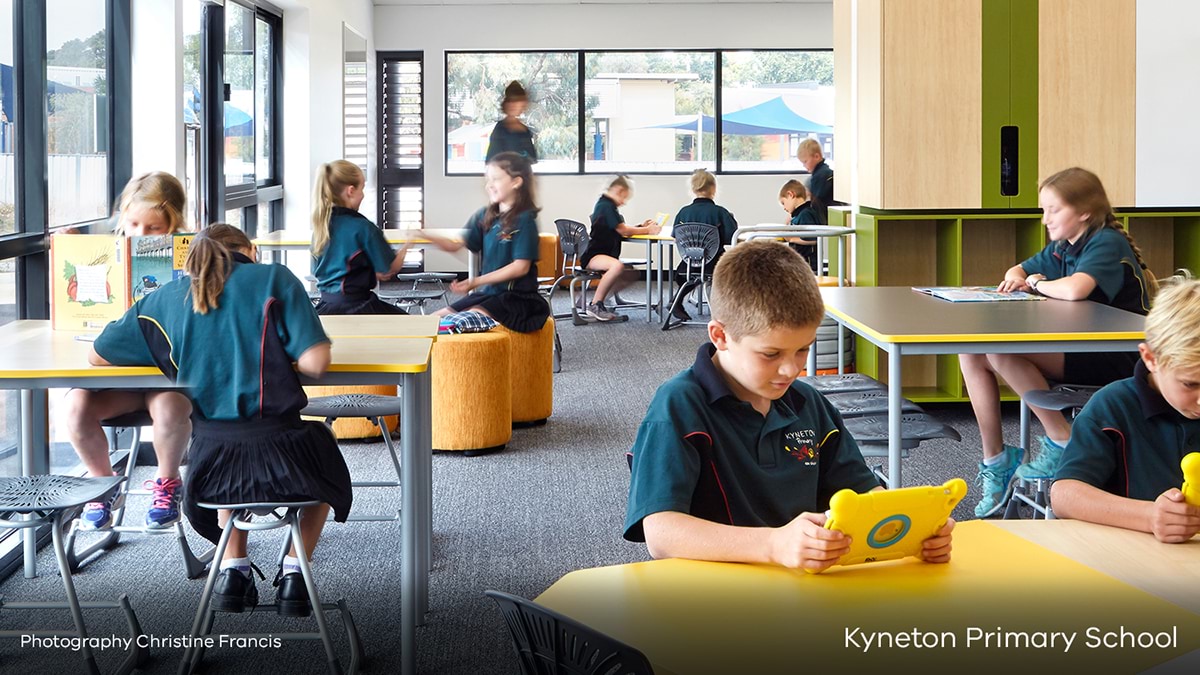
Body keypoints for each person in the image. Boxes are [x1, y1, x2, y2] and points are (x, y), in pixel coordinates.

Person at [625, 241, 955, 571]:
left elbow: (863, 495)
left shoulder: (808, 403)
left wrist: (913, 530)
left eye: (802, 350)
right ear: (720, 336)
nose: (791, 369)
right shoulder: (678, 406)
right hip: (718, 594)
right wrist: (773, 545)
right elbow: (660, 533)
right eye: (771, 354)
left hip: (804, 586)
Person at [88, 224, 353, 615]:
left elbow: (99, 355)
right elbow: (316, 363)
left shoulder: (163, 298)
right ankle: (296, 571)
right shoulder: (274, 279)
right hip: (289, 459)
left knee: (227, 451)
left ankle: (233, 569)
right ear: (249, 250)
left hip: (208, 468)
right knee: (323, 451)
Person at [961, 167, 1157, 518]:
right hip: (1083, 347)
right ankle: (997, 459)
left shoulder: (1106, 242)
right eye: (1043, 210)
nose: (1044, 219)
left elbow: (1074, 288)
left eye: (1053, 210)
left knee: (1000, 347)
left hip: (1121, 354)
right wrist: (1021, 278)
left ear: (1083, 212)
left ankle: (1061, 440)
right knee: (972, 349)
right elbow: (1016, 270)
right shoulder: (1063, 245)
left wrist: (1035, 284)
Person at [62, 171, 192, 531]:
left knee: (169, 409)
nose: (140, 235)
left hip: (165, 377)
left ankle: (167, 485)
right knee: (75, 409)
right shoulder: (108, 253)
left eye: (154, 228)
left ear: (175, 225)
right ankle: (102, 485)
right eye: (133, 224)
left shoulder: (193, 254)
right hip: (116, 380)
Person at [1051, 274, 1200, 543]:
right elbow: (1064, 495)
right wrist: (1150, 516)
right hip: (1133, 561)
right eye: (1190, 384)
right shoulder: (1113, 407)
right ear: (1151, 358)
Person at [424, 152, 550, 333]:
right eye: (487, 180)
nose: (489, 185)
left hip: (517, 299)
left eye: (496, 179)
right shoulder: (485, 215)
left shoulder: (524, 220)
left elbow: (520, 267)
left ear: (516, 182)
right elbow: (454, 245)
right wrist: (425, 233)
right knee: (433, 321)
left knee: (463, 322)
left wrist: (476, 281)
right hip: (488, 295)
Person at [310, 160, 411, 315]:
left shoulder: (320, 228)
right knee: (411, 328)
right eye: (362, 188)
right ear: (351, 191)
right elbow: (389, 270)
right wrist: (407, 245)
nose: (363, 194)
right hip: (357, 308)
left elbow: (323, 272)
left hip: (325, 307)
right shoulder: (364, 228)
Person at [579, 176, 661, 323]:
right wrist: (648, 230)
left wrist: (640, 227)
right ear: (618, 190)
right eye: (624, 197)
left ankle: (594, 298)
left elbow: (618, 229)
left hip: (603, 253)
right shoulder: (606, 205)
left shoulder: (608, 205)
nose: (624, 202)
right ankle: (595, 305)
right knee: (616, 266)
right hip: (594, 255)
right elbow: (622, 230)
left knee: (630, 272)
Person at [666, 170, 738, 323]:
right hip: (714, 263)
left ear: (693, 189)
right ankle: (727, 311)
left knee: (696, 272)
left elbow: (675, 237)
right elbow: (732, 237)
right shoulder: (720, 212)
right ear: (714, 189)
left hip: (688, 263)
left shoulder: (683, 212)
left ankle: (676, 301)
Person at [485, 81, 537, 163]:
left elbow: (532, 158)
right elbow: (492, 160)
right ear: (506, 104)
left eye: (517, 102)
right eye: (511, 102)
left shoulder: (524, 131)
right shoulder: (500, 130)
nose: (513, 106)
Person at [779, 179, 820, 273]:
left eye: (783, 203)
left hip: (808, 264)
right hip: (801, 263)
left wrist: (792, 238)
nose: (784, 208)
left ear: (790, 194)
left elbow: (813, 239)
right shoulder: (798, 215)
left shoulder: (805, 214)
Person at [798, 138, 838, 224]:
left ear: (817, 156)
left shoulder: (821, 176)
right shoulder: (824, 173)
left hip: (825, 217)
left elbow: (816, 200)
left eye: (805, 161)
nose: (804, 166)